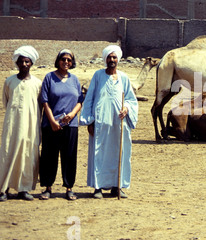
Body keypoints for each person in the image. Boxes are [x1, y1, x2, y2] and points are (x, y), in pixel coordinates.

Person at [79, 45, 138, 199]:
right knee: (100, 153)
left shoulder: (124, 77)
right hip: (101, 124)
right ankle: (98, 187)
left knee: (119, 153)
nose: (112, 60)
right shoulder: (98, 76)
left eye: (114, 57)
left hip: (119, 124)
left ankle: (117, 187)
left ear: (118, 59)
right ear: (105, 59)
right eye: (109, 57)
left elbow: (132, 100)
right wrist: (90, 122)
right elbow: (89, 98)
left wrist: (127, 108)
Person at [39, 49, 84, 201]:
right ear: (58, 60)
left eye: (69, 60)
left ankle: (69, 188)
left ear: (72, 62)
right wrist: (52, 121)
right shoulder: (49, 77)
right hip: (51, 124)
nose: (66, 62)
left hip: (70, 125)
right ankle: (47, 187)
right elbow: (44, 101)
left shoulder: (75, 80)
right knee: (49, 156)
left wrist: (72, 115)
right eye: (63, 59)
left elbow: (79, 101)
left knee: (69, 156)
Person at [0, 46, 42, 201]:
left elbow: (40, 105)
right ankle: (3, 189)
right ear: (16, 63)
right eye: (21, 61)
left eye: (27, 61)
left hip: (31, 125)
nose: (24, 64)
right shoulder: (9, 81)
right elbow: (6, 101)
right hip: (12, 124)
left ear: (31, 63)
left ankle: (23, 189)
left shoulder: (37, 83)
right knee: (7, 153)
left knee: (28, 153)